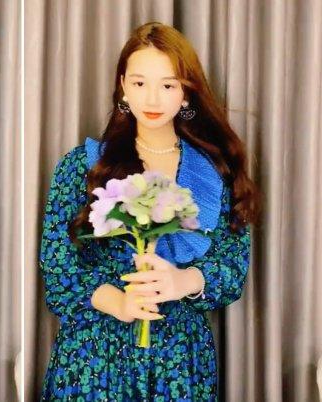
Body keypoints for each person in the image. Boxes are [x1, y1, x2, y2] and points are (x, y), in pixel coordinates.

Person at [40, 22, 260, 400]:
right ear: (123, 86)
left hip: (179, 357)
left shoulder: (214, 173)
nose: (153, 99)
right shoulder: (83, 165)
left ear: (186, 93)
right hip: (94, 354)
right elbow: (58, 268)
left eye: (168, 85)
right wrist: (120, 302)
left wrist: (182, 281)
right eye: (140, 83)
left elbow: (232, 265)